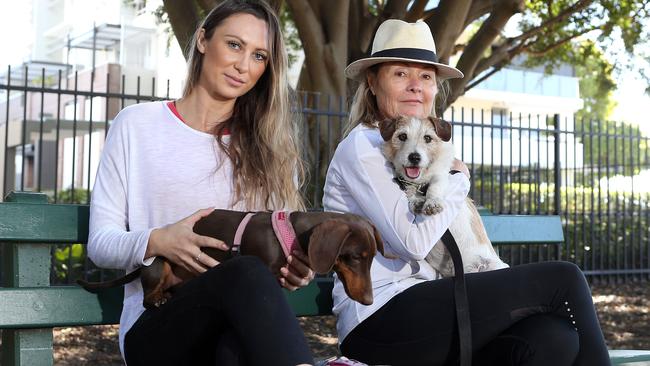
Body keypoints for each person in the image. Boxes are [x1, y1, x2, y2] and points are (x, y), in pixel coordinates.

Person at [323, 19, 611, 366]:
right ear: (372, 82)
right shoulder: (363, 146)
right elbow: (413, 243)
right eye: (400, 74)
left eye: (426, 77)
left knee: (554, 337)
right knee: (564, 279)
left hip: (438, 307)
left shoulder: (430, 151)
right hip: (380, 316)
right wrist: (458, 179)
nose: (416, 86)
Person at [87, 1, 315, 365]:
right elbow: (100, 244)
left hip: (234, 329)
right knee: (243, 275)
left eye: (259, 56)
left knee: (234, 350)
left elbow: (274, 255)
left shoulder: (269, 151)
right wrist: (159, 239)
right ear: (203, 40)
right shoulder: (136, 126)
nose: (244, 65)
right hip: (158, 325)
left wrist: (295, 270)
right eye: (235, 45)